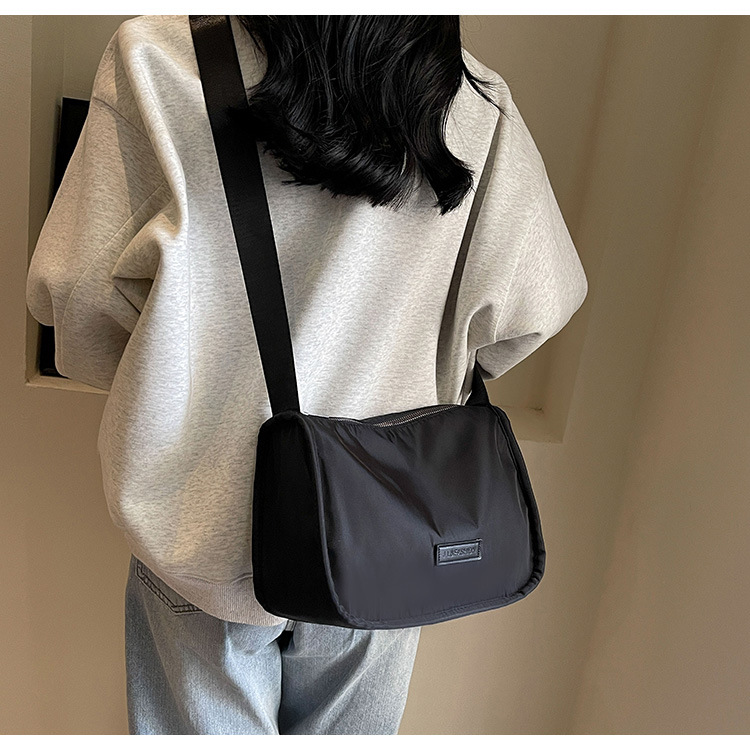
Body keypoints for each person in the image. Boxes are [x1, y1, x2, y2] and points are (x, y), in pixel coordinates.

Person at [24, 14, 588, 735]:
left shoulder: (155, 60)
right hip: (385, 535)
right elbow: (535, 307)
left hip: (203, 525)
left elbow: (75, 299)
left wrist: (169, 382)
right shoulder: (474, 101)